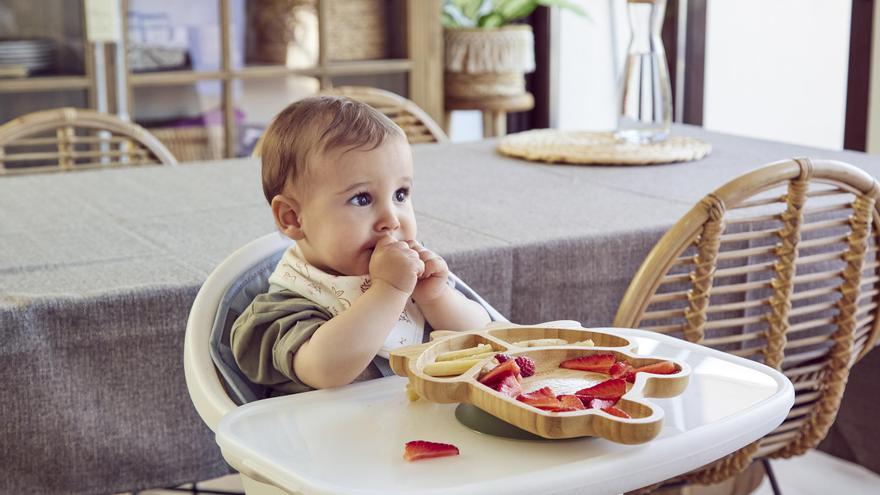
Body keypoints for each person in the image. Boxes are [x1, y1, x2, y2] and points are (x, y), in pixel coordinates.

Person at [231, 96, 491, 394]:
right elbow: (326, 368)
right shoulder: (283, 309)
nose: (391, 219)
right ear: (293, 217)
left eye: (401, 194)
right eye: (362, 199)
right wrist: (388, 291)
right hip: (330, 438)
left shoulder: (411, 277)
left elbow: (481, 337)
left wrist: (437, 297)